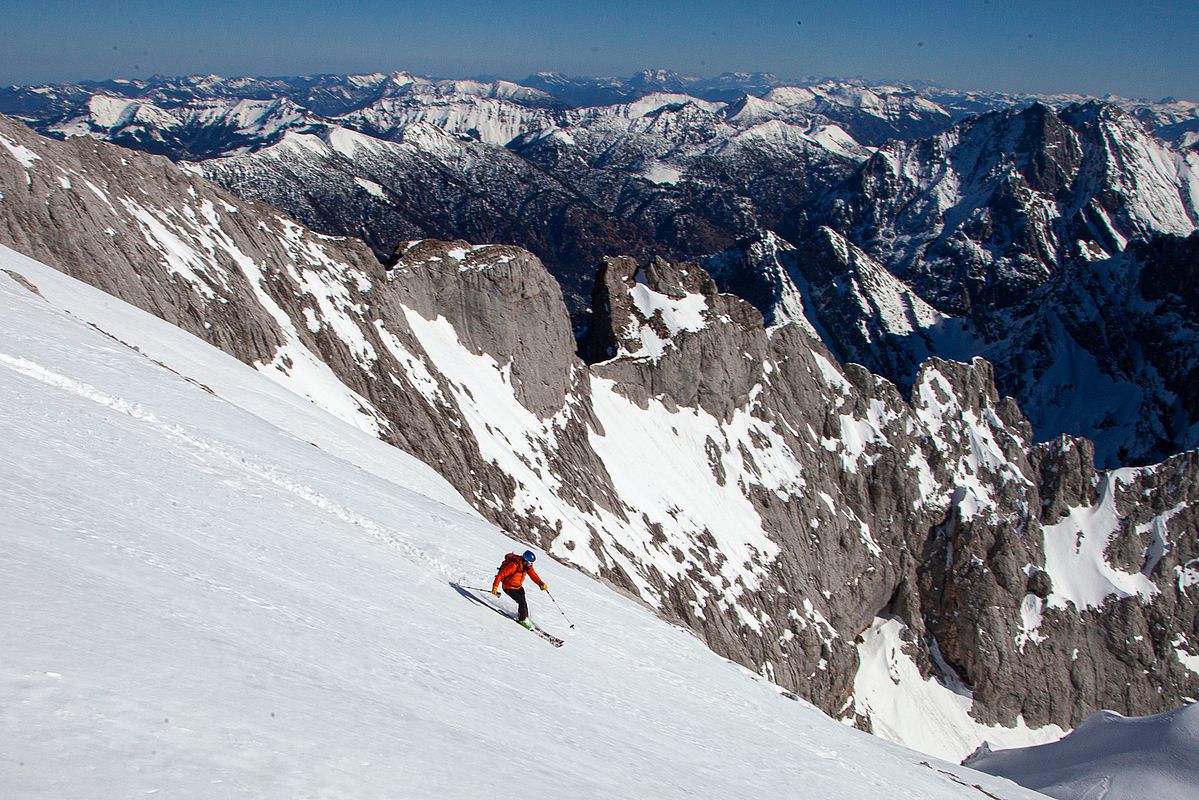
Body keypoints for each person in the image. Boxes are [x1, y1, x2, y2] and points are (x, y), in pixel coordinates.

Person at [491, 550, 548, 629]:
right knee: (521, 602)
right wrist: (495, 587)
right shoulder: (514, 565)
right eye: (530, 562)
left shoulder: (527, 567)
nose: (531, 565)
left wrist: (541, 583)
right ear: (525, 561)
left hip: (518, 587)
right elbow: (500, 575)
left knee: (523, 602)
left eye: (532, 563)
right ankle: (522, 619)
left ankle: (524, 617)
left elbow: (533, 576)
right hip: (508, 587)